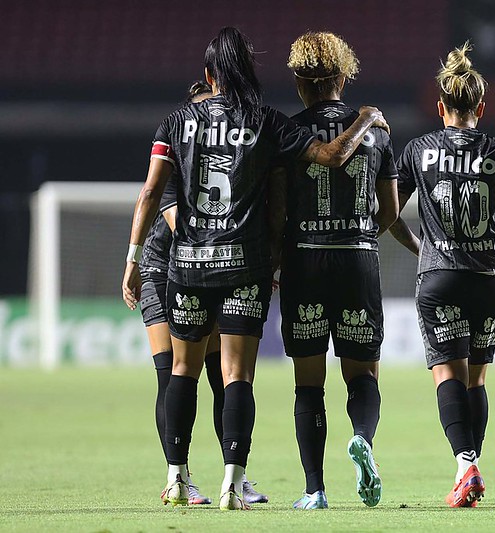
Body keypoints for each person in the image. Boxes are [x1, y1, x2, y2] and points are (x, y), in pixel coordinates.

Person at [122, 27, 389, 511]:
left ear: (207, 75)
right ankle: (232, 483)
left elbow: (148, 194)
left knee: (181, 371)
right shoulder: (265, 121)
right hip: (246, 265)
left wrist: (133, 259)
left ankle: (177, 477)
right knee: (236, 376)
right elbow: (330, 157)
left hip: (187, 264)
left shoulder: (175, 121)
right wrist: (366, 117)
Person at [390, 42, 495, 508]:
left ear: (440, 106)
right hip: (492, 281)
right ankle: (469, 469)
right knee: (476, 380)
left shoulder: (418, 151)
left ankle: (465, 466)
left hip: (440, 277)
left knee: (447, 375)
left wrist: (415, 244)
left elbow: (386, 214)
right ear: (481, 107)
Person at [272, 31, 399, 511]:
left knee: (308, 382)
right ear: (344, 76)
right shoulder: (378, 130)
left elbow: (278, 209)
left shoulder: (288, 129)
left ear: (300, 84)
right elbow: (389, 212)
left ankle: (314, 490)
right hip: (357, 256)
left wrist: (277, 259)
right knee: (363, 374)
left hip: (305, 257)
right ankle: (362, 438)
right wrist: (360, 229)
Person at [138, 80, 269, 507]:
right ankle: (180, 475)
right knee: (173, 371)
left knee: (218, 375)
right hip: (166, 268)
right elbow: (176, 221)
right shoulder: (181, 154)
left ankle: (234, 473)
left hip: (204, 268)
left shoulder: (217, 152)